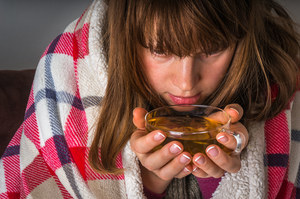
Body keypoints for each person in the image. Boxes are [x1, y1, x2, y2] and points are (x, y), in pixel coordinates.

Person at [1, 0, 299, 198]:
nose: (185, 83)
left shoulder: (283, 72)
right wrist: (147, 183)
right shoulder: (68, 71)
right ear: (125, 40)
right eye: (160, 50)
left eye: (213, 50)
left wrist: (221, 177)